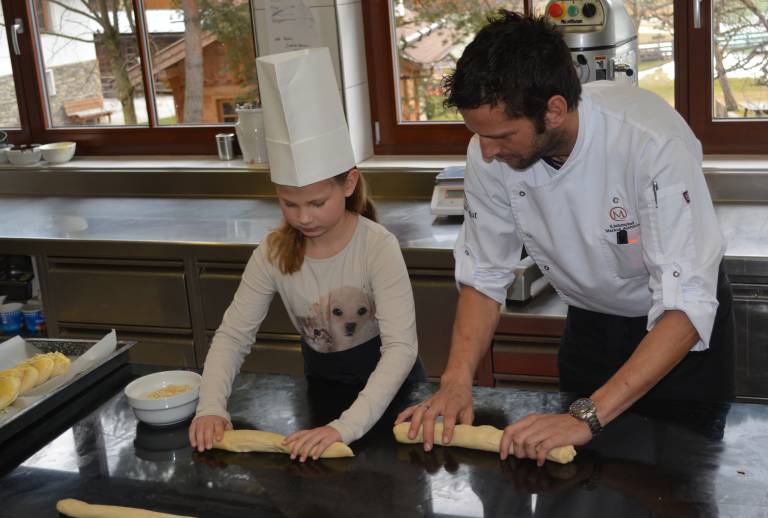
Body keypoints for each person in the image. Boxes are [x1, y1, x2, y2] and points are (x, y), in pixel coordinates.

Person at [397, 11, 734, 466]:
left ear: (553, 110)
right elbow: (484, 272)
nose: (487, 151)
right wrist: (456, 380)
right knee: (581, 485)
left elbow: (688, 303)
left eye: (500, 136)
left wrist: (587, 416)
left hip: (677, 341)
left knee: (680, 483)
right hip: (590, 328)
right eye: (478, 135)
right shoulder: (489, 150)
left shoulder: (649, 143)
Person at [190, 48, 424, 461]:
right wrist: (211, 407)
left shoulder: (376, 246)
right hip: (322, 394)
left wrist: (344, 428)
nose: (303, 218)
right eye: (289, 204)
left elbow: (401, 348)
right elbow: (233, 334)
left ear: (349, 183)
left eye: (317, 203)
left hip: (393, 400)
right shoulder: (274, 253)